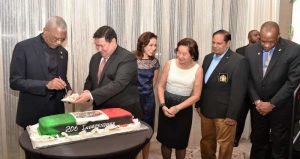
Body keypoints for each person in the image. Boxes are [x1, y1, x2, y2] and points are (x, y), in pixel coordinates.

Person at [245, 21, 300, 159]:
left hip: (280, 106)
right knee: (258, 142)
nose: (267, 45)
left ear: (279, 36)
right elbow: (248, 78)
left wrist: (272, 103)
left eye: (271, 42)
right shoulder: (250, 50)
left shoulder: (293, 50)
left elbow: (292, 82)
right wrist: (257, 101)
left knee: (279, 146)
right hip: (258, 106)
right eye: (263, 41)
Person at [10, 16, 72, 129]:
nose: (59, 42)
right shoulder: (23, 48)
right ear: (45, 30)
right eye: (55, 38)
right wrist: (46, 84)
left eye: (62, 39)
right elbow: (15, 82)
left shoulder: (63, 52)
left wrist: (68, 90)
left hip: (57, 114)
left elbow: (62, 78)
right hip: (33, 113)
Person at [195, 30, 248, 159]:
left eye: (219, 43)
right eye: (213, 42)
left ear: (228, 43)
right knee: (206, 141)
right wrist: (199, 103)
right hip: (206, 110)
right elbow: (203, 83)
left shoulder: (238, 61)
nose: (215, 46)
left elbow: (239, 91)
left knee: (225, 145)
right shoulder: (208, 58)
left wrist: (232, 115)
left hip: (225, 114)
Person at [75, 26, 143, 120]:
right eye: (97, 45)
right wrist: (87, 90)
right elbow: (90, 79)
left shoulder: (127, 58)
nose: (99, 49)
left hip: (122, 110)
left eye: (102, 45)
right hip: (100, 109)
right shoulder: (95, 58)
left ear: (113, 41)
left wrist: (91, 95)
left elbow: (118, 84)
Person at [156, 38, 203, 159]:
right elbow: (160, 86)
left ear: (192, 55)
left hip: (184, 108)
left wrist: (177, 108)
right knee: (165, 141)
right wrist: (162, 105)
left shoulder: (198, 70)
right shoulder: (169, 64)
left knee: (180, 144)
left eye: (184, 54)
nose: (180, 56)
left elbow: (196, 95)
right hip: (165, 106)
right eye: (178, 52)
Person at [135, 32, 160, 159]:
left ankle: (145, 157)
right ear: (143, 44)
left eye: (155, 45)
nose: (154, 48)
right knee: (133, 130)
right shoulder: (132, 59)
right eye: (151, 45)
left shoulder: (155, 62)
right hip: (134, 100)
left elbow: (154, 83)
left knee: (147, 130)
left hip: (149, 100)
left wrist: (148, 94)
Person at [234, 29, 260, 147]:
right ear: (249, 37)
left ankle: (255, 139)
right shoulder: (240, 51)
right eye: (255, 35)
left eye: (259, 35)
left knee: (256, 119)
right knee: (240, 117)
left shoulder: (263, 51)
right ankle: (235, 139)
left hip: (257, 92)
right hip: (243, 91)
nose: (258, 36)